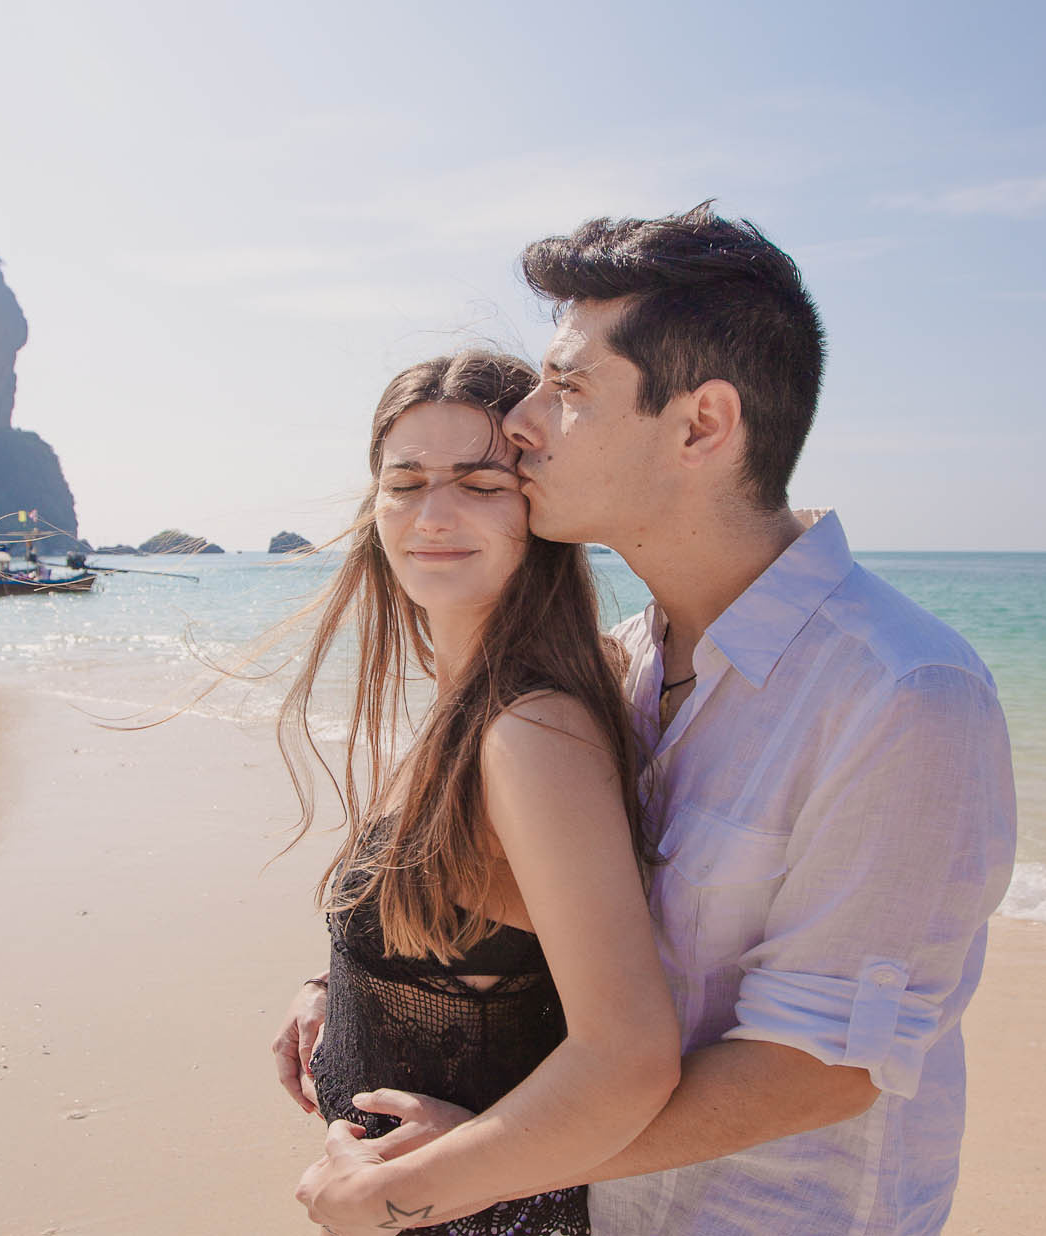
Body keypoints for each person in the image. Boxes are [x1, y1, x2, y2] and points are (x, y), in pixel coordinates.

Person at [285, 206, 1017, 1235]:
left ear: (700, 426)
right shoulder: (622, 663)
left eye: (568, 389)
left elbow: (819, 1070)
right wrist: (363, 984)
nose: (525, 422)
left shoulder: (900, 694)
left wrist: (461, 1169)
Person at [277, 350, 681, 1235]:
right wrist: (339, 986)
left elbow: (629, 1057)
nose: (434, 514)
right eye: (406, 481)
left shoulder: (529, 732)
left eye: (481, 483)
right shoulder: (472, 701)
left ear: (541, 503)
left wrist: (383, 1199)